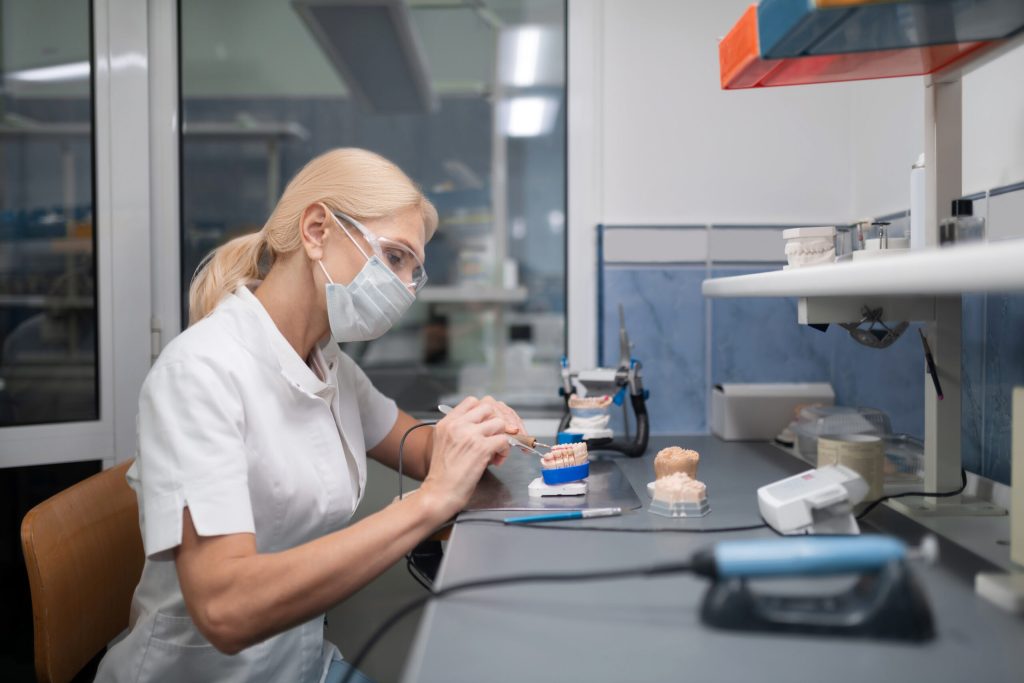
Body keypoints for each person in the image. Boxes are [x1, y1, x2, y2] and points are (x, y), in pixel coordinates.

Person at [96, 148, 525, 682]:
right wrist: (430, 502)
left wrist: (475, 433)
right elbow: (225, 609)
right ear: (317, 229)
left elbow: (417, 445)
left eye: (414, 272)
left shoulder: (328, 362)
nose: (404, 289)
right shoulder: (200, 373)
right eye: (393, 258)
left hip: (302, 666)